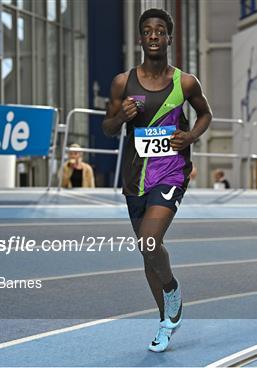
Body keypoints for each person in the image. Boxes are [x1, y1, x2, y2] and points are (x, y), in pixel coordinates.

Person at [102, 8, 212, 352]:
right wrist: (122, 116)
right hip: (136, 178)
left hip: (171, 171)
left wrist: (190, 136)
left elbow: (206, 113)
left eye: (160, 31)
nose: (153, 35)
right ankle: (166, 319)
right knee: (147, 253)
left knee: (150, 240)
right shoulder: (123, 82)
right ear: (140, 38)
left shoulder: (186, 82)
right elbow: (107, 128)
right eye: (147, 30)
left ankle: (172, 289)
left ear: (168, 38)